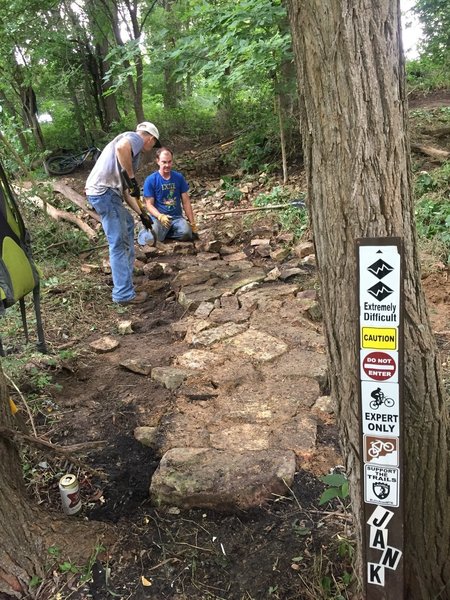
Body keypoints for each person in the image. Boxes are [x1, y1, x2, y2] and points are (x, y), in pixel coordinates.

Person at [85, 122, 161, 305]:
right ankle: (123, 294)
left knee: (127, 224)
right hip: (105, 193)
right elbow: (121, 148)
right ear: (150, 138)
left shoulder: (130, 155)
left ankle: (125, 280)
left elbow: (127, 192)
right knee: (119, 243)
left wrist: (142, 214)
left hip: (106, 194)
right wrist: (132, 178)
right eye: (154, 144)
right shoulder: (133, 139)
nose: (151, 149)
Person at [137, 147, 198, 246]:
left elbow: (186, 202)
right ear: (157, 161)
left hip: (176, 218)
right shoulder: (151, 180)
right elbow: (149, 205)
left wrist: (192, 223)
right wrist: (160, 216)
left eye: (169, 162)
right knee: (150, 239)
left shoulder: (178, 177)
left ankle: (164, 234)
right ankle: (144, 230)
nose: (167, 165)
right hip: (158, 219)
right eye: (164, 162)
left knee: (187, 233)